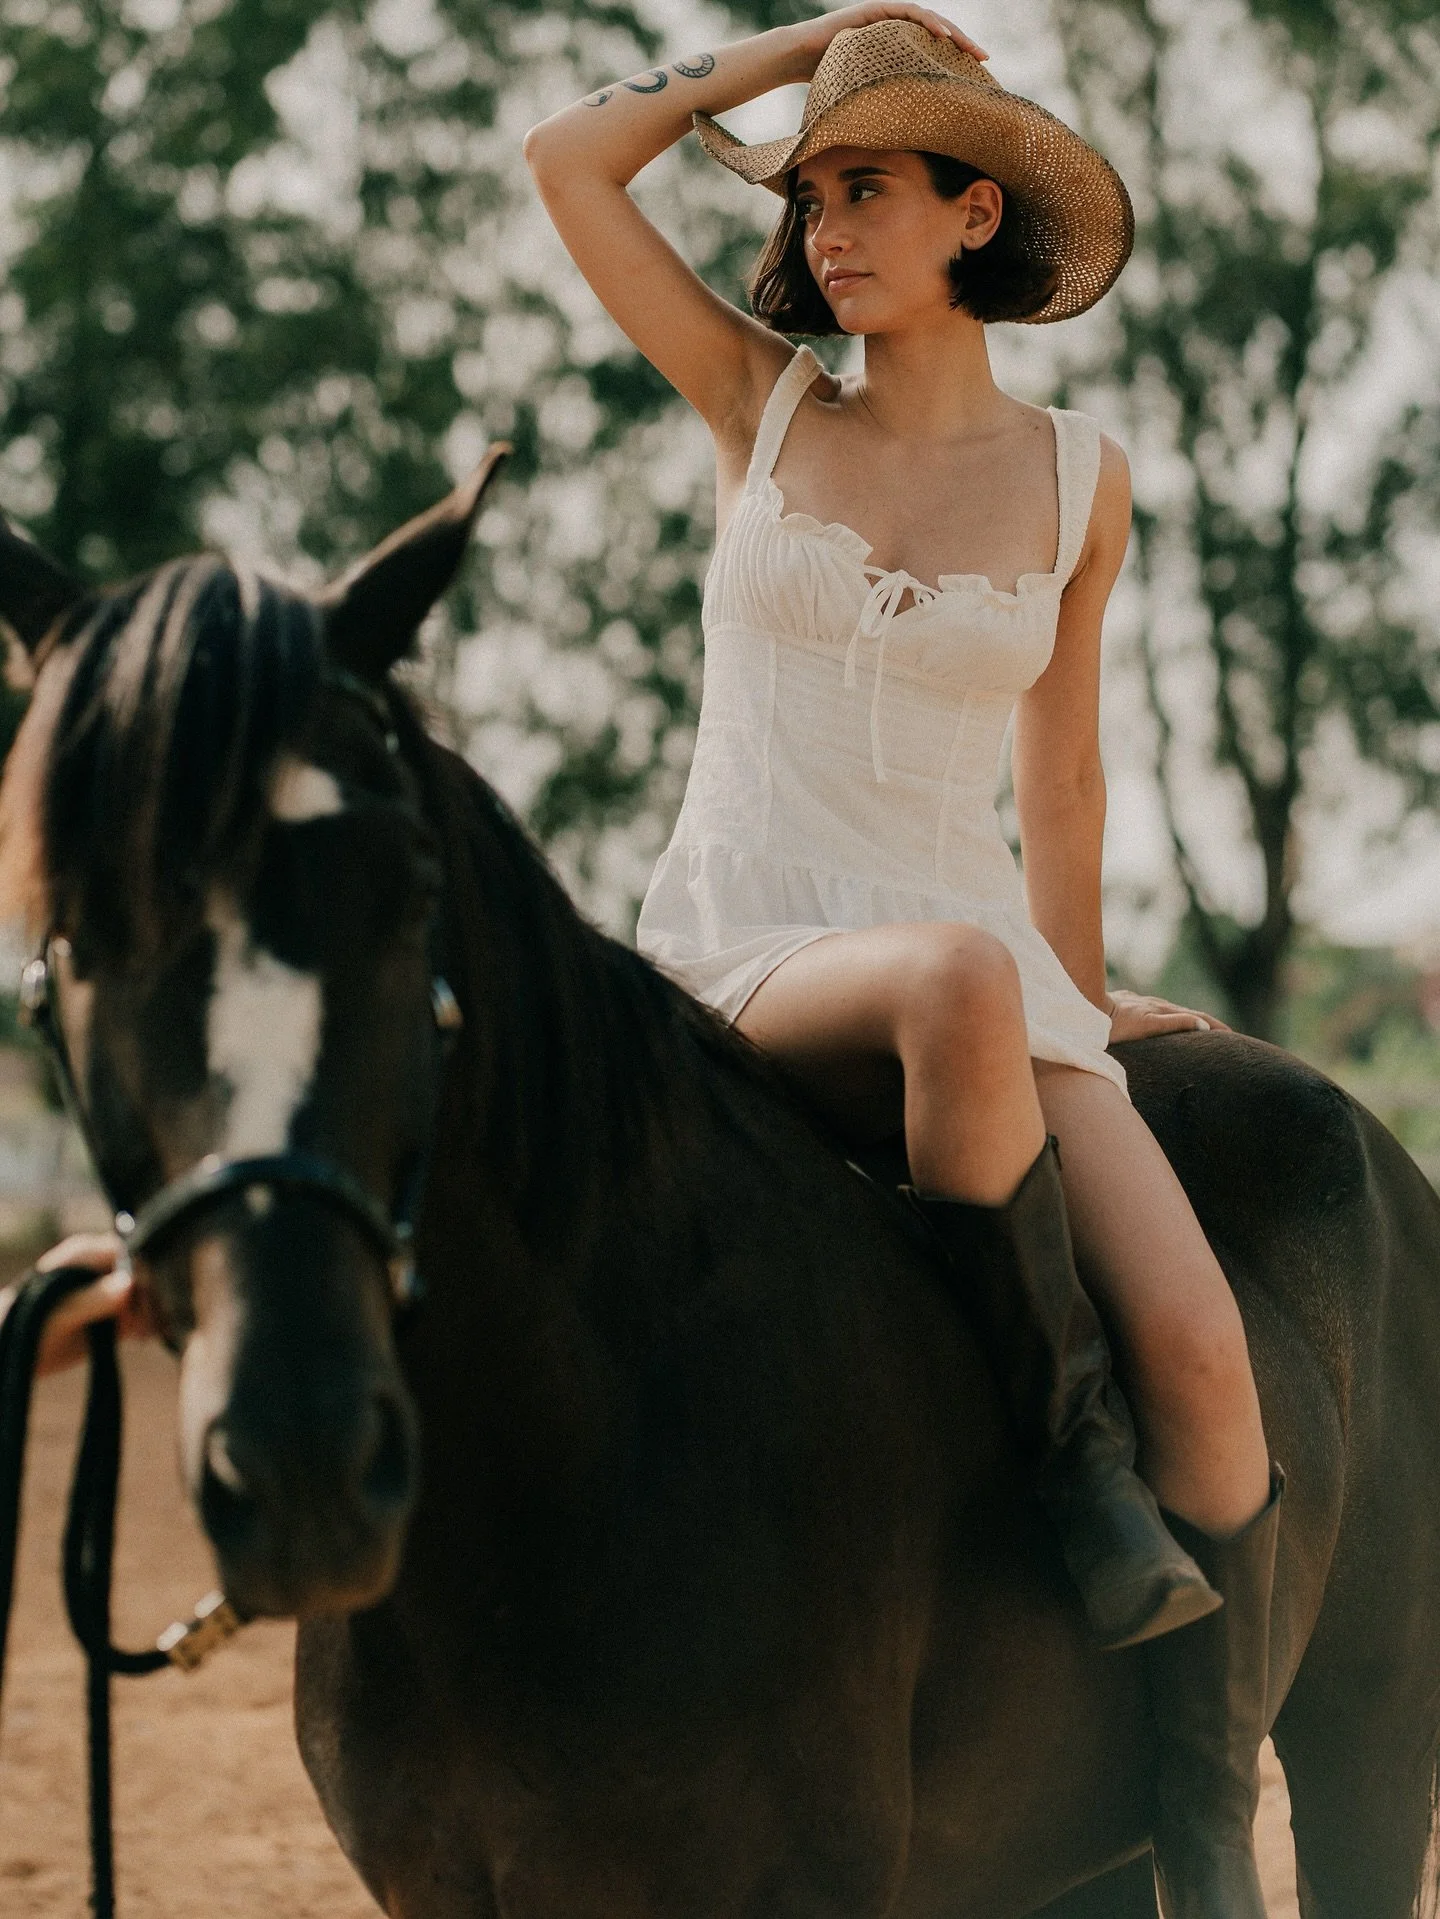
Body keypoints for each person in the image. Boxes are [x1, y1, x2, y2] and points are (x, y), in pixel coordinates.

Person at [525, 10, 1282, 1914]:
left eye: (868, 186)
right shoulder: (760, 402)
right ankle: (1062, 1464)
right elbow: (564, 159)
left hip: (980, 965)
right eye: (812, 197)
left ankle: (1201, 1813)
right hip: (746, 943)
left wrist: (1081, 996)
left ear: (975, 212)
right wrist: (797, 50)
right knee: (954, 977)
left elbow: (1065, 773)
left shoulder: (1083, 476)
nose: (827, 227)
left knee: (1210, 1362)